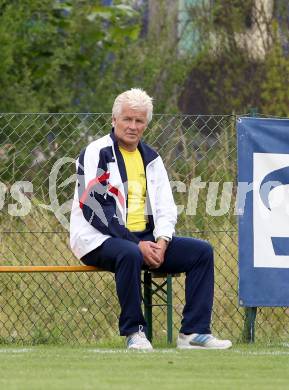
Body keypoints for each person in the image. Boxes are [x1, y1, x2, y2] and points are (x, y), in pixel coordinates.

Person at [70, 88, 232, 351]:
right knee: (130, 254)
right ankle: (135, 332)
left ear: (146, 124)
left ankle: (193, 333)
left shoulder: (152, 158)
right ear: (114, 119)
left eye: (139, 121)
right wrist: (136, 244)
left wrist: (163, 241)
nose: (132, 126)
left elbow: (166, 206)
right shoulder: (96, 152)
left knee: (202, 252)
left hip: (143, 240)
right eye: (127, 119)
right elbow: (95, 208)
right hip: (98, 239)